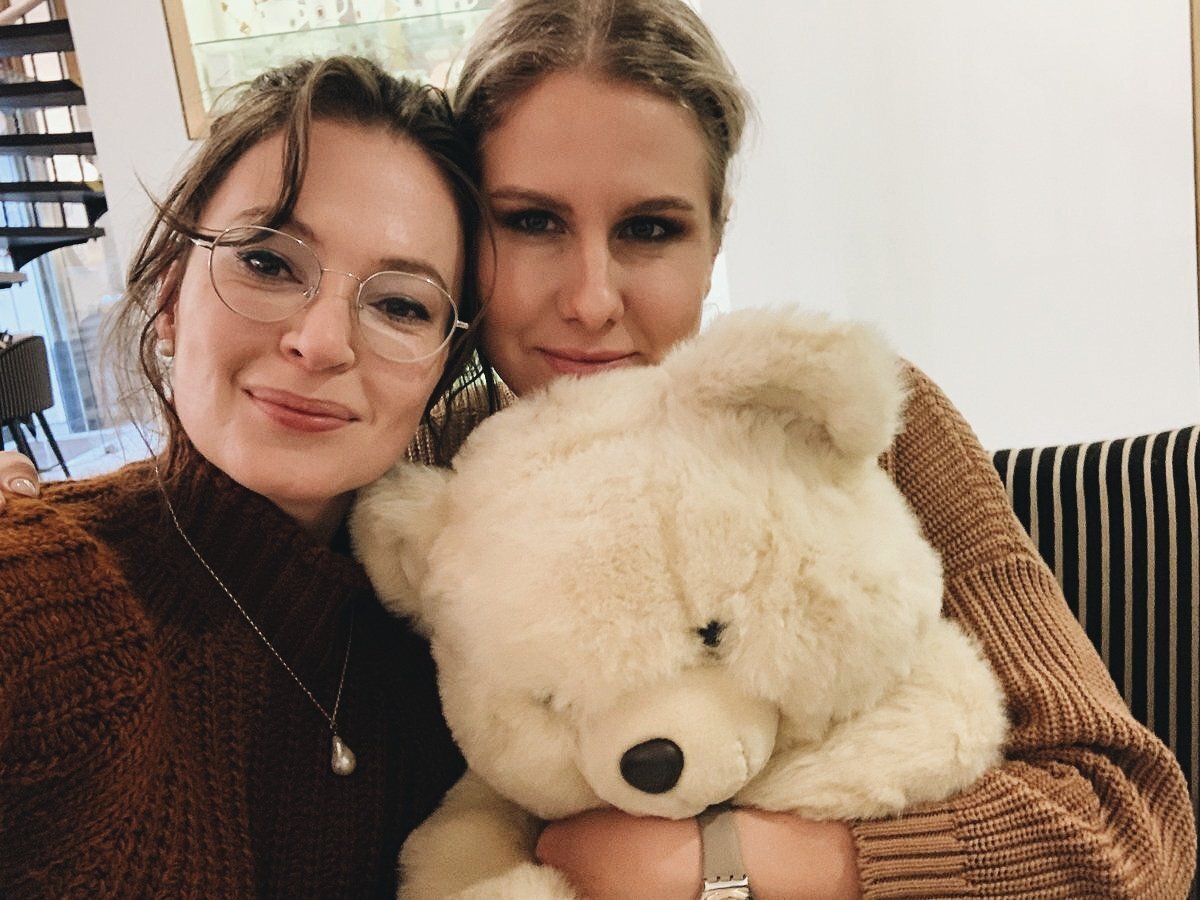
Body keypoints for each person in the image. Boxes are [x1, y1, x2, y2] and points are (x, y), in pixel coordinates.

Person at [3, 2, 1196, 897]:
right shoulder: (418, 475)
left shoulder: (844, 433)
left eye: (650, 229)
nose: (588, 299)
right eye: (531, 222)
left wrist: (720, 864)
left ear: (715, 240)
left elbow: (1129, 828)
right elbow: (205, 545)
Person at [0, 56, 483, 897]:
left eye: (401, 304)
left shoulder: (462, 637)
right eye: (267, 262)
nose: (321, 343)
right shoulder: (53, 595)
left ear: (440, 370)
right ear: (169, 299)